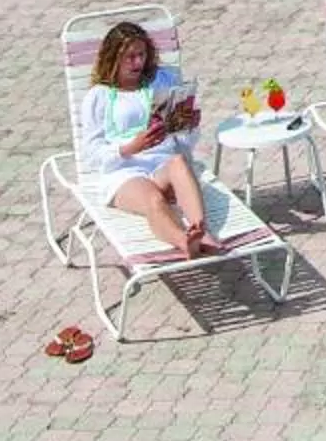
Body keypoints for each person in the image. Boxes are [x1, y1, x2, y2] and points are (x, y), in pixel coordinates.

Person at [80, 19, 223, 261]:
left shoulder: (162, 81)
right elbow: (91, 153)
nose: (138, 62)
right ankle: (183, 241)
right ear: (113, 58)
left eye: (142, 54)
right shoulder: (99, 96)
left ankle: (201, 229)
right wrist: (128, 148)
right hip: (124, 171)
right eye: (130, 57)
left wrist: (188, 124)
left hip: (161, 163)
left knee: (178, 162)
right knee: (153, 199)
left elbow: (184, 143)